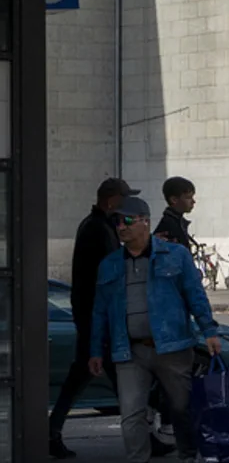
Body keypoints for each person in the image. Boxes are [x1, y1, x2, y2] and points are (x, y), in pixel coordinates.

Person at [90, 196, 221, 463]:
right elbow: (99, 312)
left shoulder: (175, 255)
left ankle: (188, 456)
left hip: (172, 346)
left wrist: (209, 330)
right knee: (131, 413)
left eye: (127, 220)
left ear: (145, 222)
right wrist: (95, 350)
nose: (121, 227)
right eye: (117, 222)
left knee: (181, 408)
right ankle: (138, 458)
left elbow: (195, 295)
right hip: (129, 350)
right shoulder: (110, 264)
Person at [51, 177, 135, 459]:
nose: (128, 205)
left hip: (94, 314)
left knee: (89, 375)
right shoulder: (98, 229)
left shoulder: (99, 226)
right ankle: (144, 434)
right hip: (95, 316)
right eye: (125, 198)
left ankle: (52, 432)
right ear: (112, 200)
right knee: (117, 375)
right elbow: (109, 273)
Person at [153, 177, 196, 251]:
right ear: (174, 200)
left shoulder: (178, 221)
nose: (193, 201)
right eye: (188, 197)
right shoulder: (169, 225)